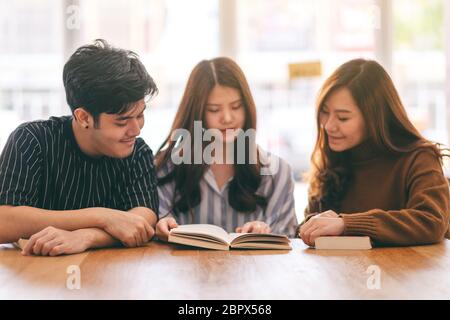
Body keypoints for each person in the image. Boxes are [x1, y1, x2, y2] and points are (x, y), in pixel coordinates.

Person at [0, 39, 159, 256]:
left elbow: (142, 222)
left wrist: (86, 236)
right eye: (122, 121)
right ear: (83, 117)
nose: (136, 129)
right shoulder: (31, 140)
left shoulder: (137, 152)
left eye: (140, 115)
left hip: (112, 278)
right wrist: (102, 216)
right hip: (35, 278)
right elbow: (5, 221)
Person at [299, 58, 450, 247]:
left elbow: (432, 222)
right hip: (344, 273)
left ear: (375, 118)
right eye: (324, 112)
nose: (328, 125)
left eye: (343, 117)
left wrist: (347, 224)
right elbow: (312, 231)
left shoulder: (418, 157)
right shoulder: (335, 158)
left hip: (405, 275)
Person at [155, 57, 298, 241]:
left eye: (236, 107)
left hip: (254, 269)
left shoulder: (277, 173)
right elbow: (157, 233)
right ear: (197, 113)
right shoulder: (167, 169)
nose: (228, 118)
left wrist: (265, 233)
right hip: (188, 269)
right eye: (214, 110)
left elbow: (287, 242)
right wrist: (162, 227)